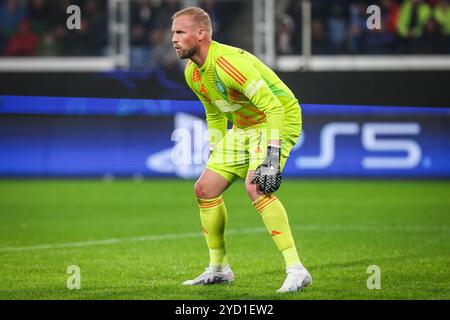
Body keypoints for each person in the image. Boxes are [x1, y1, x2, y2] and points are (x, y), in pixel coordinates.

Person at [171, 7, 311, 293]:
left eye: (180, 32)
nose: (173, 39)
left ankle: (297, 269)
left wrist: (271, 157)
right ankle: (219, 269)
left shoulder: (227, 64)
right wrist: (217, 150)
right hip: (244, 126)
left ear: (201, 34)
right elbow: (214, 112)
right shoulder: (193, 73)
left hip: (277, 118)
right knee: (205, 189)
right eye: (173, 32)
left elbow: (273, 107)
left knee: (257, 187)